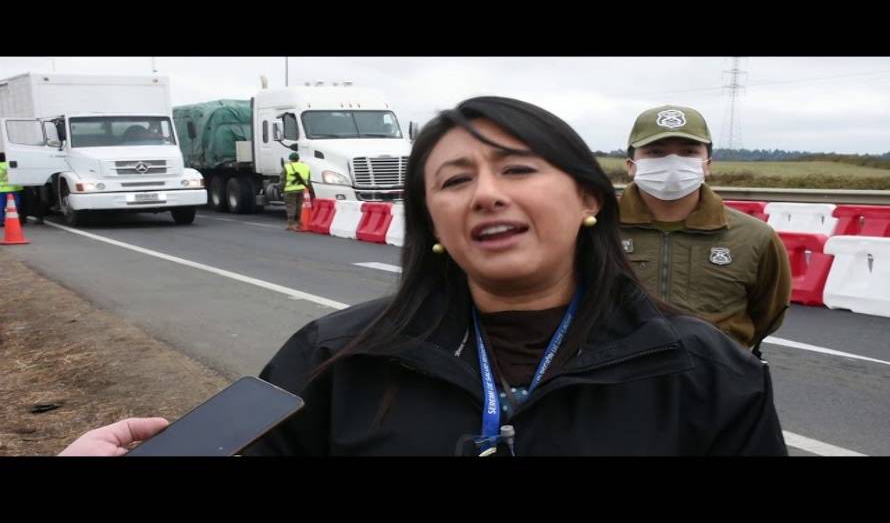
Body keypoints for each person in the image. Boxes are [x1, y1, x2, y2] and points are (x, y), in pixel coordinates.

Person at [60, 97, 787, 456]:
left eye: (519, 168)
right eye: (455, 179)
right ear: (432, 221)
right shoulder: (335, 356)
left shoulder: (705, 371)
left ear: (590, 199)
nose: (487, 192)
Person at [619, 105, 791, 355]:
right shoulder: (595, 229)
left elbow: (768, 314)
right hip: (614, 379)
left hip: (716, 382)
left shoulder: (755, 237)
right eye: (656, 152)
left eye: (688, 152)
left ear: (707, 164)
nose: (672, 163)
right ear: (631, 165)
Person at [280, 152, 311, 232]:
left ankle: (290, 225)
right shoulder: (305, 166)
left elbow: (283, 180)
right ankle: (298, 224)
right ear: (298, 158)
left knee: (291, 206)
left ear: (290, 159)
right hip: (301, 189)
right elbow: (308, 179)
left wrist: (281, 189)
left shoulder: (287, 167)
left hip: (290, 190)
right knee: (299, 207)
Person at [0, 152, 24, 227]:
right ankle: (16, 219)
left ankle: (1, 221)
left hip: (1, 190)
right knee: (15, 205)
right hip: (13, 189)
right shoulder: (11, 165)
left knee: (1, 206)